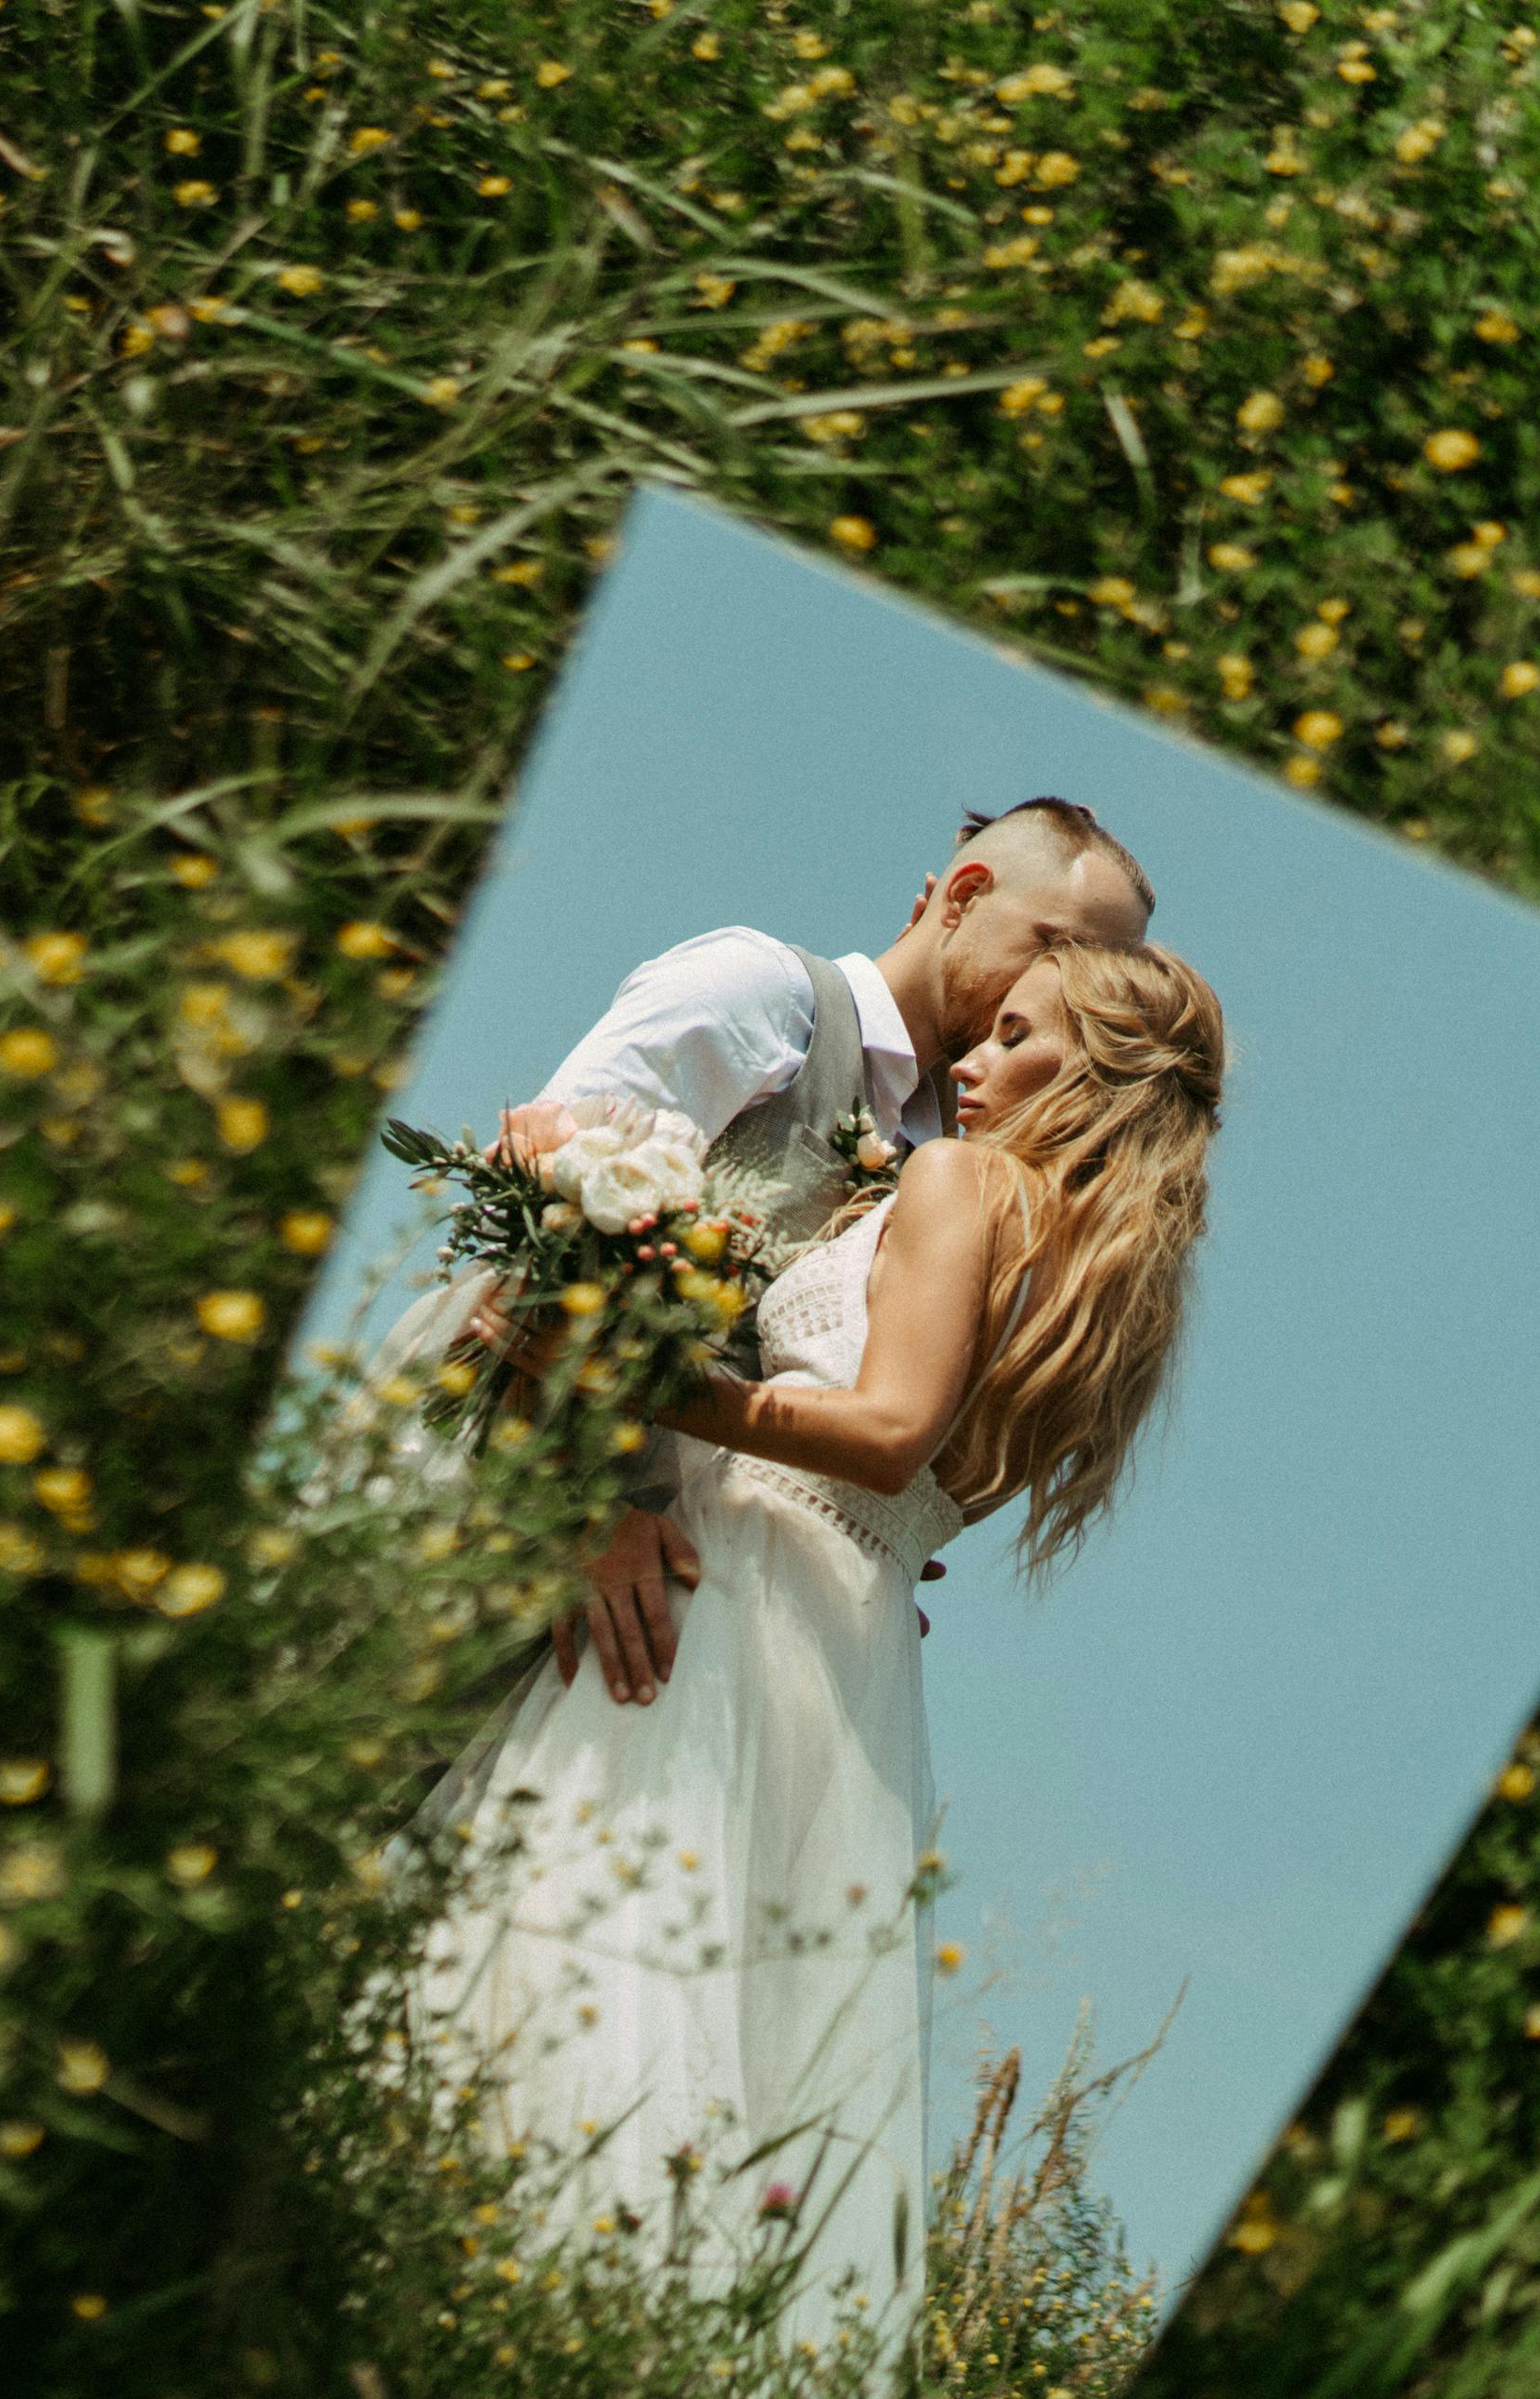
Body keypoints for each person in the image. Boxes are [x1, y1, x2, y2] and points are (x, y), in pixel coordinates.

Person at [393, 931, 1228, 2381]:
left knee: (594, 1937)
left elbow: (889, 1431)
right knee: (745, 2020)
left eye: (1016, 1037)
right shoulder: (1114, 1299)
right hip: (855, 1661)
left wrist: (652, 1379)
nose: (969, 1063)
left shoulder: (964, 1183)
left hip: (746, 1579)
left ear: (1088, 1073)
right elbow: (927, 1496)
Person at [498, 798, 1157, 1710]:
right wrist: (587, 1509)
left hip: (683, 1634)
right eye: (1056, 948)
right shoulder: (764, 995)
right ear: (963, 894)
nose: (1068, 990)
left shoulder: (956, 1162)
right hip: (507, 1513)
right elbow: (531, 1217)